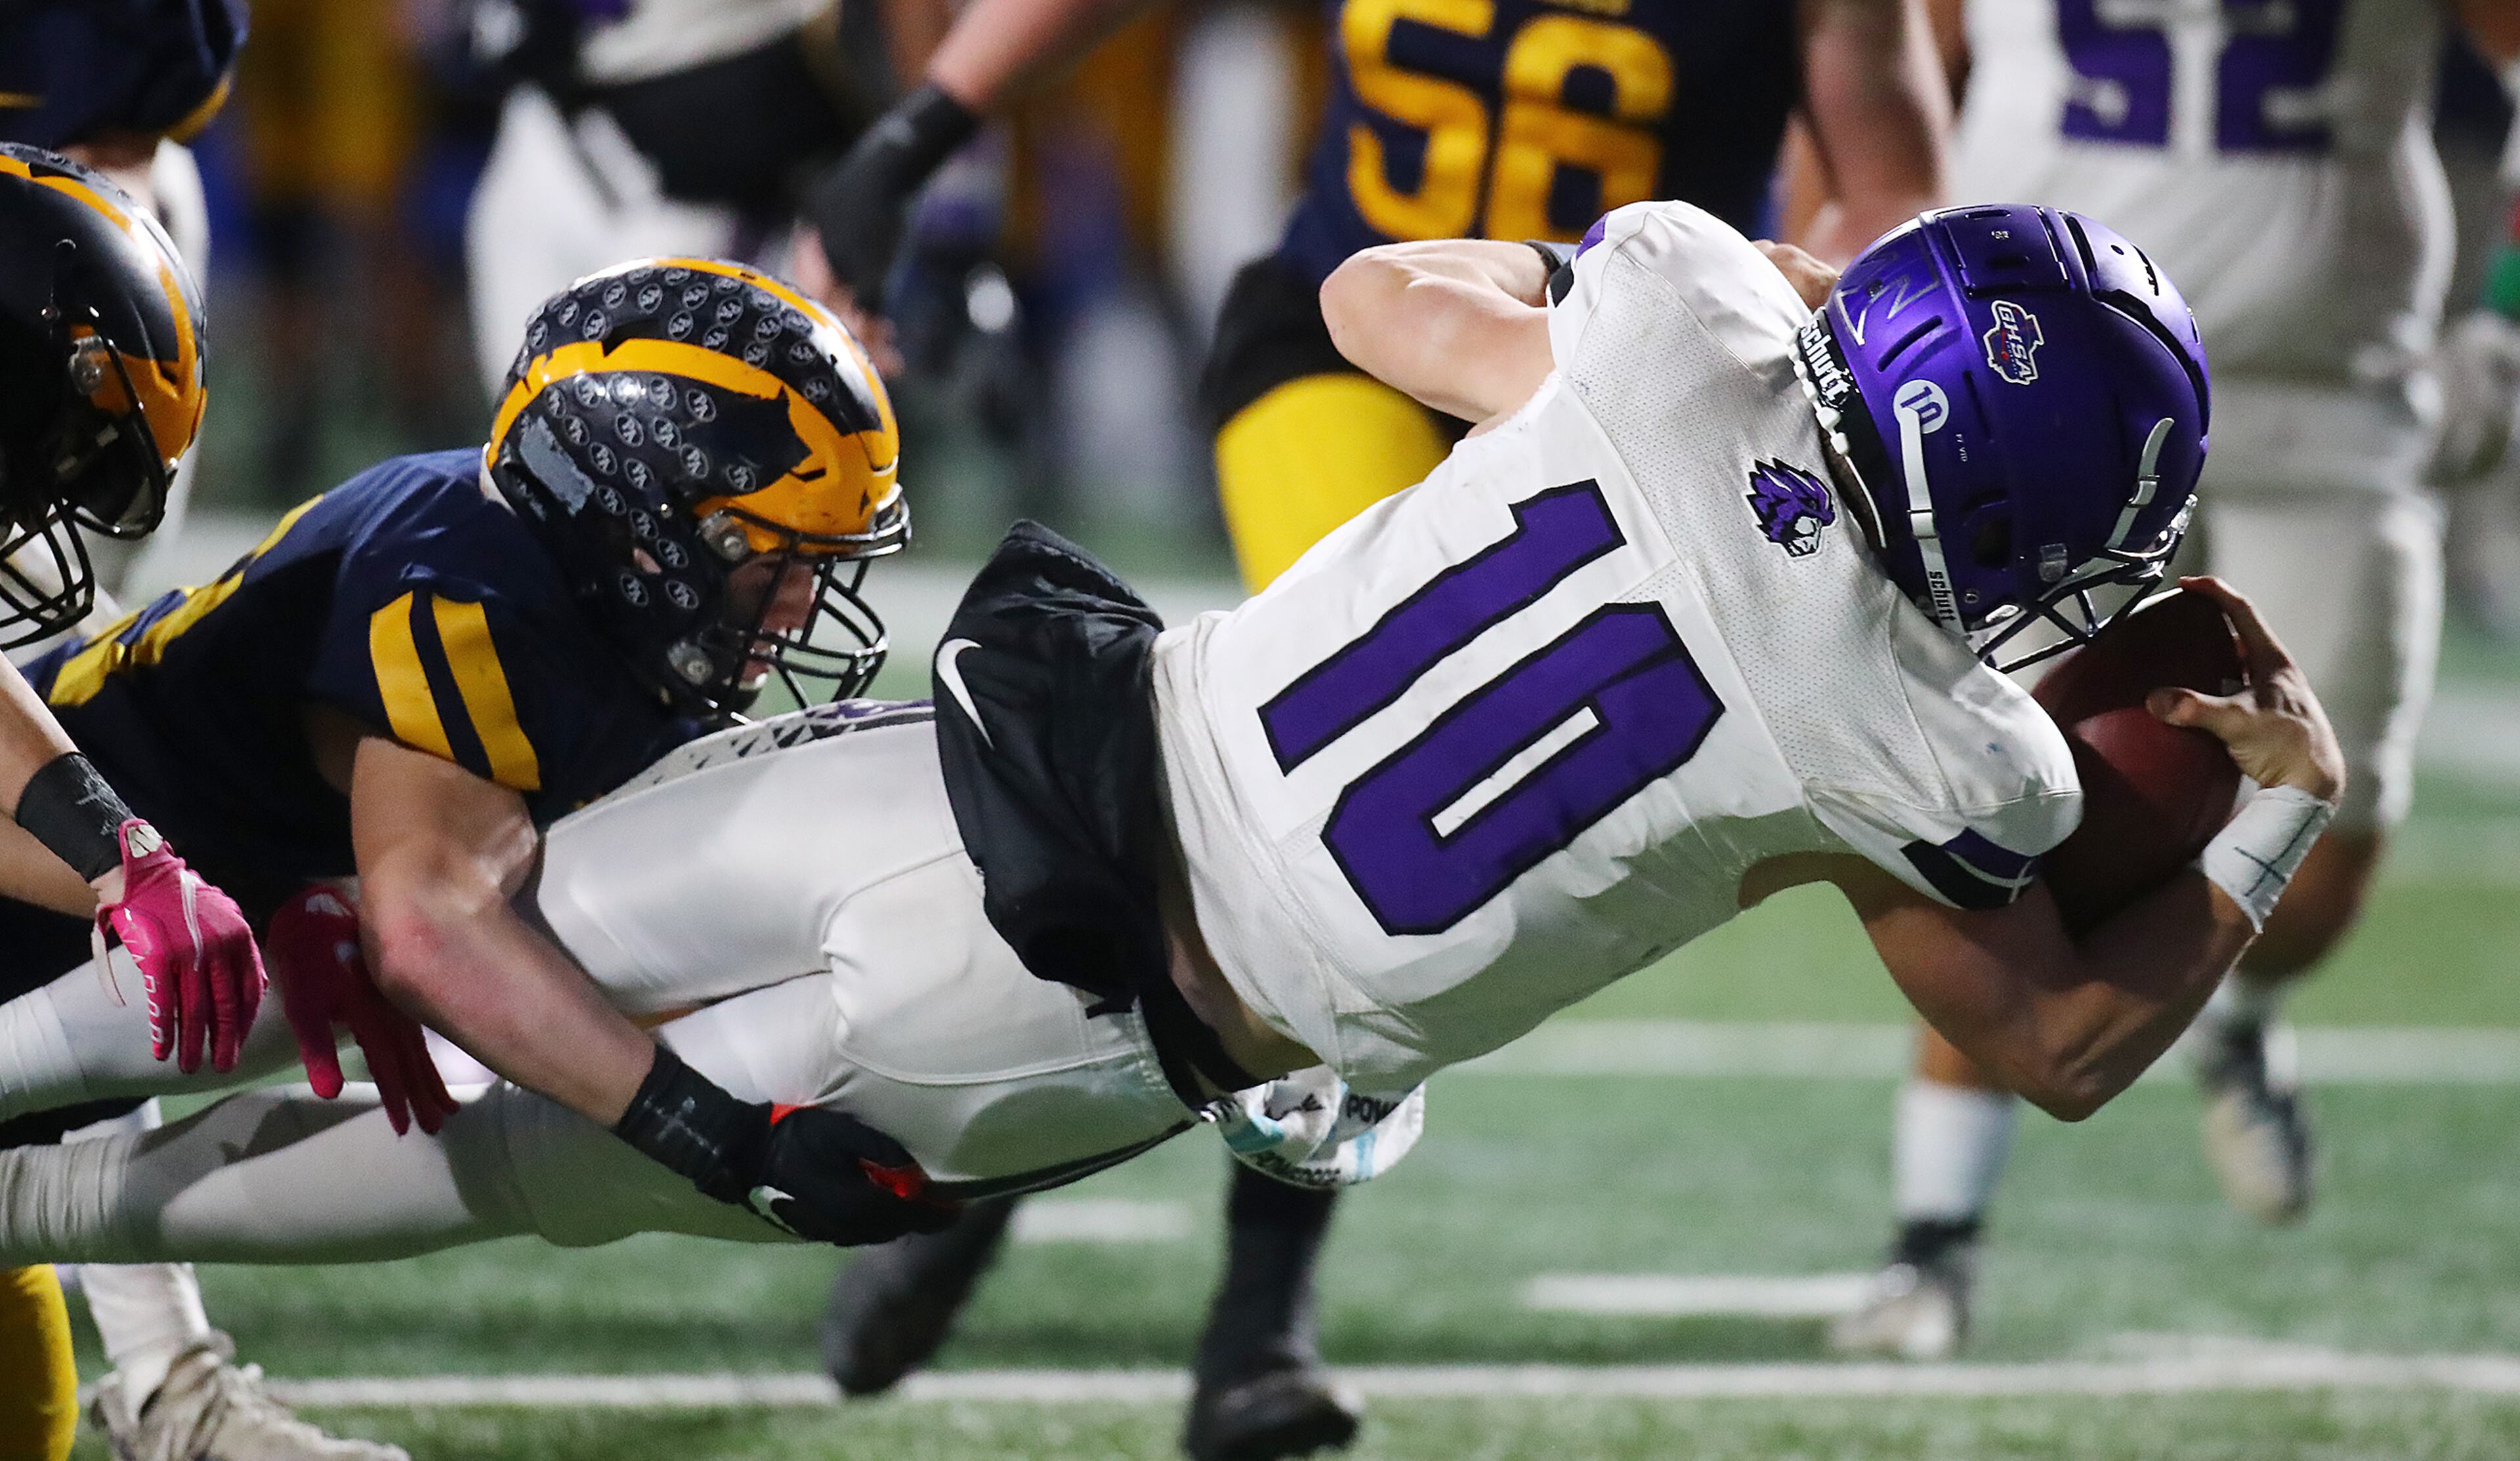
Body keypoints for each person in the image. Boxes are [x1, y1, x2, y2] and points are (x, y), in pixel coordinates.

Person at [0, 205, 2347, 1434]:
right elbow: (2059, 1040)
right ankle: (44, 1207)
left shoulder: (1674, 316)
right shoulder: (1949, 751)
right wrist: (2271, 821)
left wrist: (1750, 308)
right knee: (490, 1162)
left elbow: (1371, 295)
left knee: (393, 945)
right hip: (1095, 1031)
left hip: (985, 766)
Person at [800, 1, 1952, 1452]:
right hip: (1351, 335)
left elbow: (1893, 203)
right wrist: (926, 127)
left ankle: (1228, 1303)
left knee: (1420, 843)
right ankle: (1209, 1299)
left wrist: (1790, 353)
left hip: (1639, 426)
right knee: (1331, 776)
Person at [0, 255, 954, 1456]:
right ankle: (172, 1387)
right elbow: (426, 930)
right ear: (642, 511)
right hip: (47, 910)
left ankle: (168, 1384)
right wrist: (724, 1143)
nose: (801, 606)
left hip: (135, 960)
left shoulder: (592, 591)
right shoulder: (461, 571)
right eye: (772, 554)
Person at [1822, 0, 2520, 1365]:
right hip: (2048, 393)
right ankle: (1931, 1243)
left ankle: (2234, 1013)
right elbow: (1874, 50)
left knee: (2323, 858)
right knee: (2000, 816)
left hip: (2330, 392)